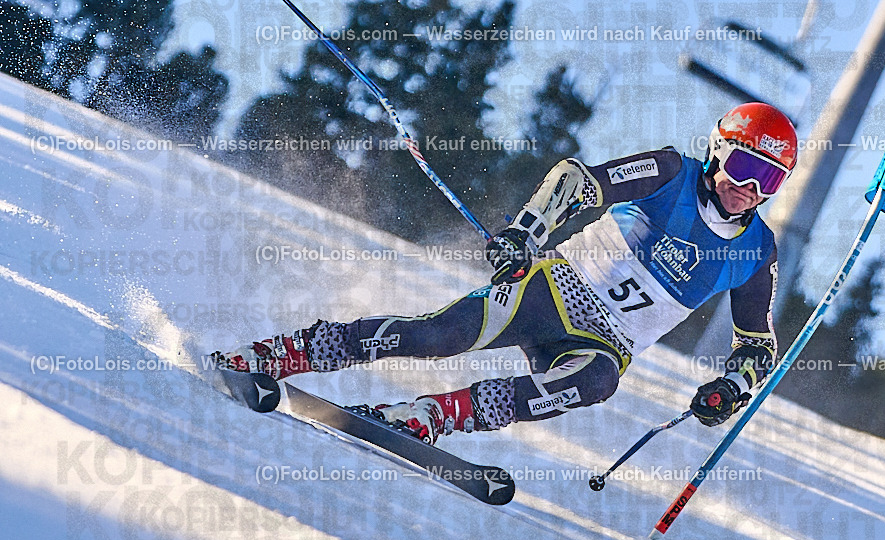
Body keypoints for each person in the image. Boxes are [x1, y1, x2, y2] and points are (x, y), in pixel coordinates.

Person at [214, 102, 798, 445]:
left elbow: (756, 348)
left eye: (767, 182)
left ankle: (431, 417)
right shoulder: (672, 171)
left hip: (606, 342)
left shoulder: (757, 252)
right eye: (744, 166)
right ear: (719, 150)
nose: (747, 189)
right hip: (558, 288)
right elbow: (577, 180)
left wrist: (732, 390)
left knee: (594, 383)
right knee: (440, 336)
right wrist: (525, 232)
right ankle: (281, 353)